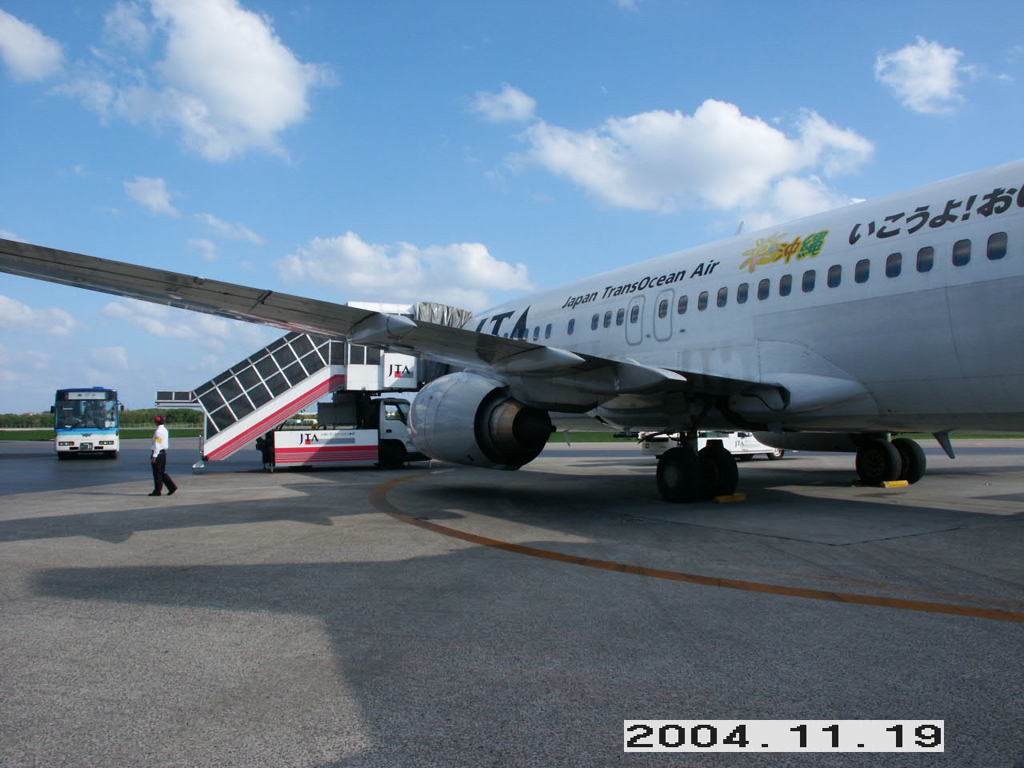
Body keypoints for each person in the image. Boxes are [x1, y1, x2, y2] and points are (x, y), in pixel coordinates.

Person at [149, 415, 177, 496]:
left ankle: (157, 491)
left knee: (157, 474)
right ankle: (172, 487)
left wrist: (154, 456)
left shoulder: (159, 432)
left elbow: (158, 444)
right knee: (161, 473)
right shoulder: (164, 430)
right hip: (162, 453)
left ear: (156, 422)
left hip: (158, 454)